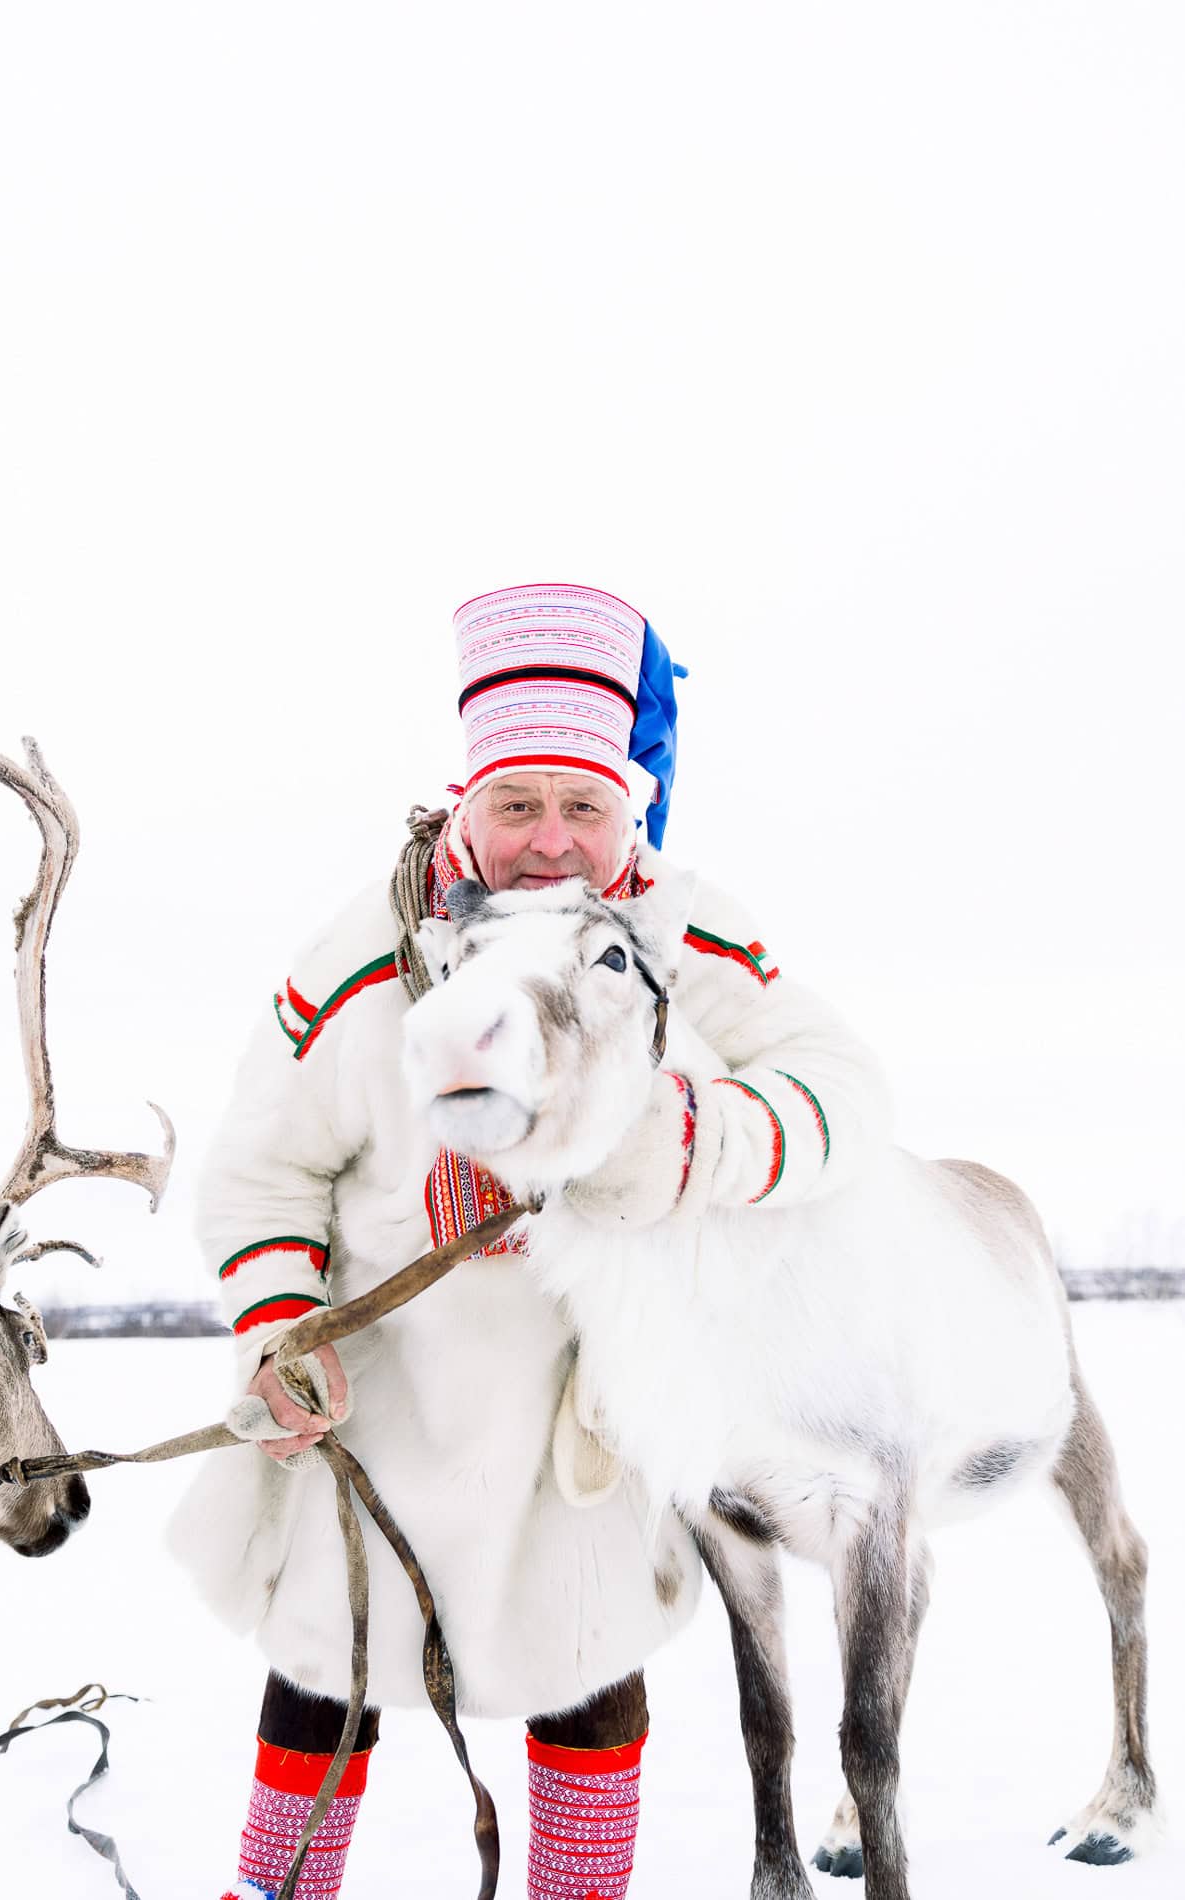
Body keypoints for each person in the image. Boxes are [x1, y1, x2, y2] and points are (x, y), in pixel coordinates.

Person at [172, 582, 889, 1900]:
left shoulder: (691, 933)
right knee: (326, 1671)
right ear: (465, 807)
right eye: (517, 806)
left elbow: (844, 1093)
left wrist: (692, 1147)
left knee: (589, 1679)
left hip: (588, 1409)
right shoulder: (363, 953)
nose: (552, 842)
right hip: (381, 1397)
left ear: (629, 809)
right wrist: (278, 1329)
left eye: (584, 807)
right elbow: (260, 1172)